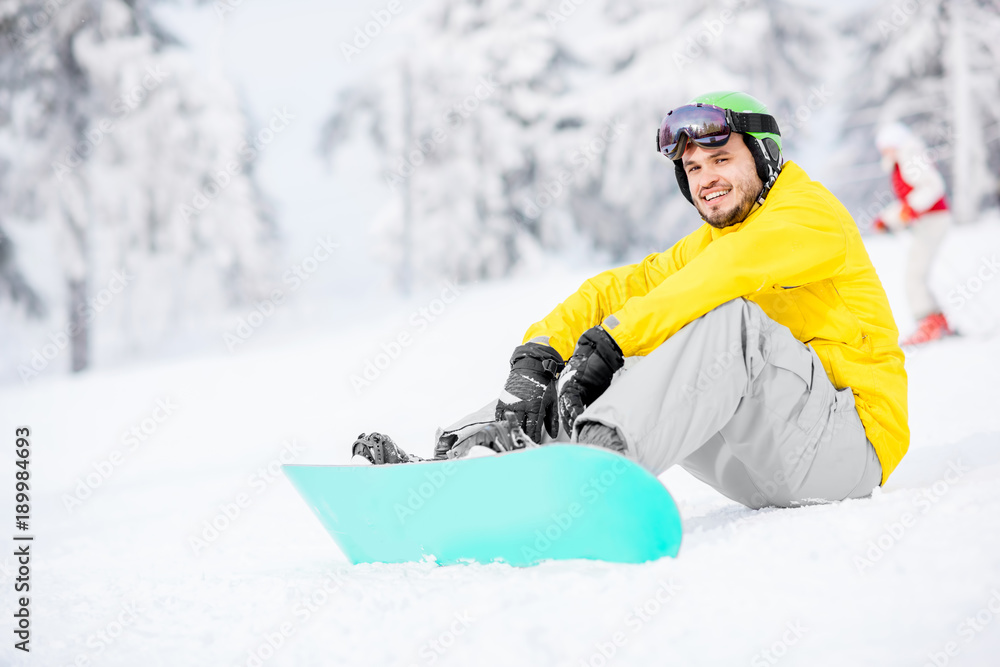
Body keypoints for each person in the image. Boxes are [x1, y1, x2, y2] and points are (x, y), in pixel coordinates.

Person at [353, 91, 908, 510]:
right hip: (759, 459)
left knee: (716, 320)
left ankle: (594, 472)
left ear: (763, 158)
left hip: (848, 449)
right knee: (615, 343)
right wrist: (541, 353)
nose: (705, 179)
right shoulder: (713, 240)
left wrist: (615, 342)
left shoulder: (808, 215)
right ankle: (474, 461)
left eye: (720, 160)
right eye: (692, 168)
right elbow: (622, 289)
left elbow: (723, 275)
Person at [871, 122, 954, 345]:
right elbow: (909, 202)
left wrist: (910, 208)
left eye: (885, 147)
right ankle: (937, 321)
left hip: (933, 220)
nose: (883, 152)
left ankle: (928, 324)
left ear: (893, 144)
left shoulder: (910, 157)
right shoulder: (901, 162)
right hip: (929, 221)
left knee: (914, 275)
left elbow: (933, 186)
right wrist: (887, 220)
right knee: (918, 273)